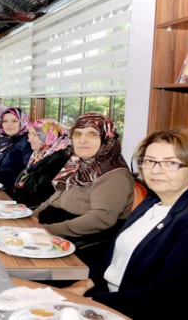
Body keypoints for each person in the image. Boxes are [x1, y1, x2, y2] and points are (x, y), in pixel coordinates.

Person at [63, 129, 188, 320]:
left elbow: (166, 298)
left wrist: (90, 303)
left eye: (170, 163)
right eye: (150, 161)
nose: (156, 170)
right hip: (111, 298)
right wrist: (80, 287)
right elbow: (111, 260)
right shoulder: (152, 201)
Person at [32, 113, 134, 264]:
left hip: (76, 241)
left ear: (107, 138)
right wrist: (34, 217)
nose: (82, 140)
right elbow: (56, 197)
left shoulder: (114, 174)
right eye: (77, 134)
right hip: (52, 227)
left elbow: (100, 220)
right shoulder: (77, 162)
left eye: (92, 134)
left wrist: (48, 230)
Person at [12, 119, 71, 207]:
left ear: (51, 136)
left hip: (36, 209)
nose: (29, 139)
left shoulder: (59, 158)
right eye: (29, 133)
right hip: (26, 204)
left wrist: (13, 204)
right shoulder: (42, 152)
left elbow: (40, 193)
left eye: (35, 135)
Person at [0, 107, 32, 193]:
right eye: (5, 121)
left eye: (14, 121)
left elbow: (27, 174)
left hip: (10, 191)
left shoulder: (27, 142)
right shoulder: (6, 140)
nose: (9, 125)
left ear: (23, 122)